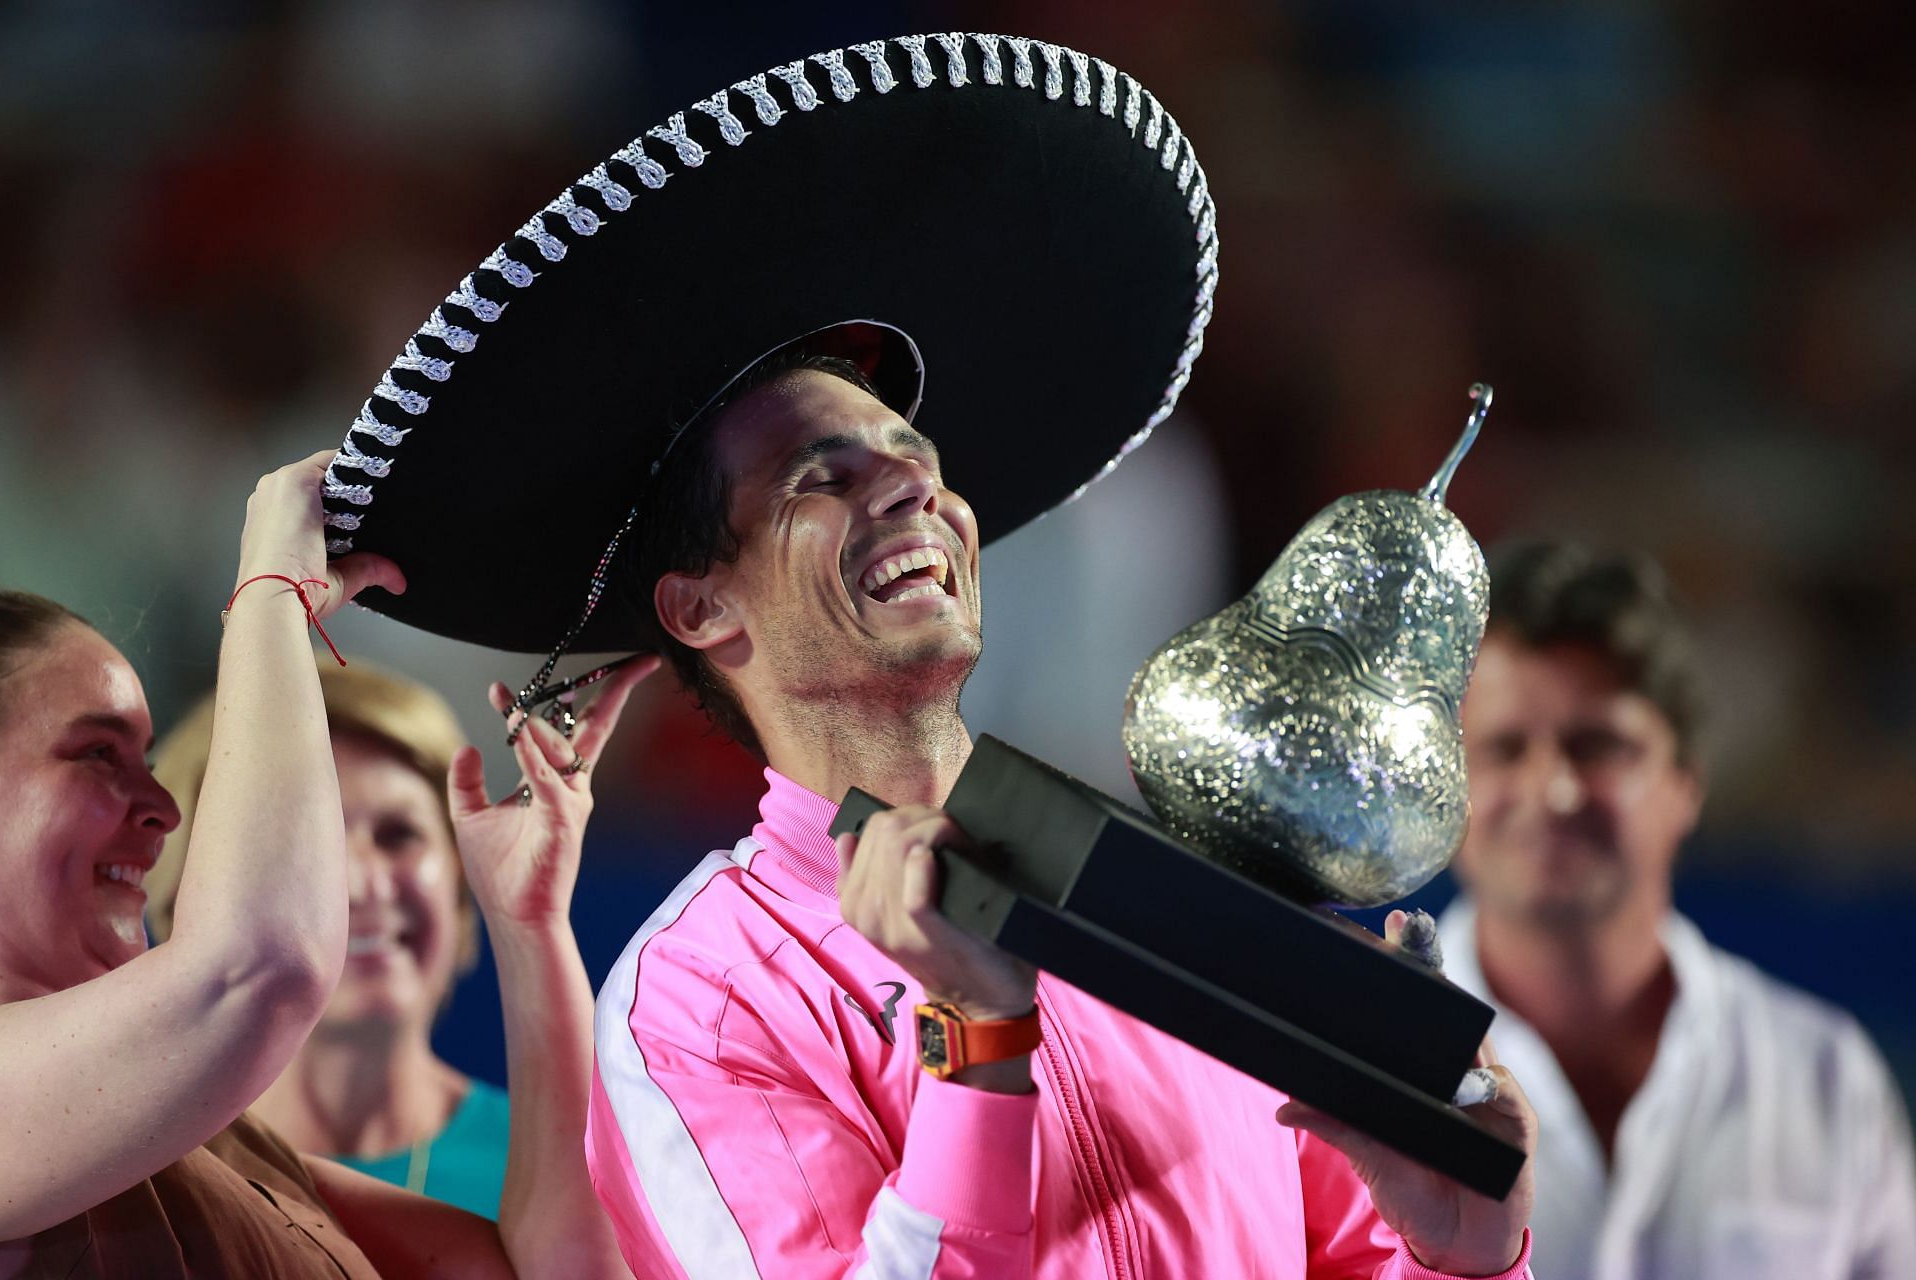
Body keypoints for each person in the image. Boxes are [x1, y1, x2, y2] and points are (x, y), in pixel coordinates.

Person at [301, 33, 1539, 1277]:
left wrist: (1464, 1253)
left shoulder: (1181, 898)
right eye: (819, 477)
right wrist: (979, 1041)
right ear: (698, 609)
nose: (911, 483)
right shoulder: (701, 997)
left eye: (914, 454)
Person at [0, 453, 634, 1279]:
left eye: (146, 758)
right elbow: (259, 964)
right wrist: (269, 597)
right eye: (96, 753)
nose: (161, 807)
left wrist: (527, 921)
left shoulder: (214, 1135)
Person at [1438, 539, 1916, 1280]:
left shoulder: (1823, 1076)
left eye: (1597, 746)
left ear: (1688, 781)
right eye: (1504, 749)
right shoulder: (1376, 1063)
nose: (1552, 791)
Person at [145, 663, 504, 1217]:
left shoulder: (564, 1168)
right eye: (309, 836)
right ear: (188, 894)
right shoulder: (136, 1183)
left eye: (399, 834)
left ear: (460, 879)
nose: (364, 883)